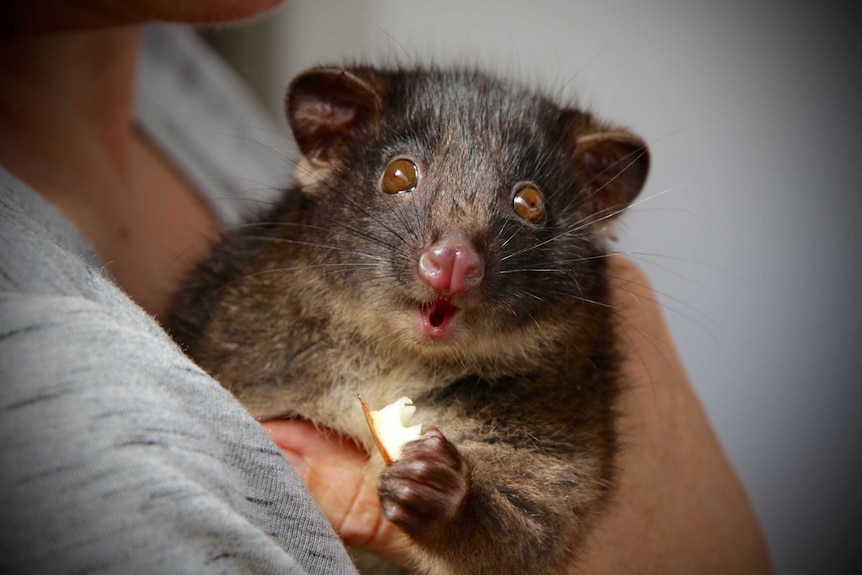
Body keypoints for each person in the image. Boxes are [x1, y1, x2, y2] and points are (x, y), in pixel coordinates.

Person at [0, 1, 772, 573]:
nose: (454, 255)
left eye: (527, 204)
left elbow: (535, 505)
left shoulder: (165, 83)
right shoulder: (54, 396)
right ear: (328, 144)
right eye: (401, 176)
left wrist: (465, 511)